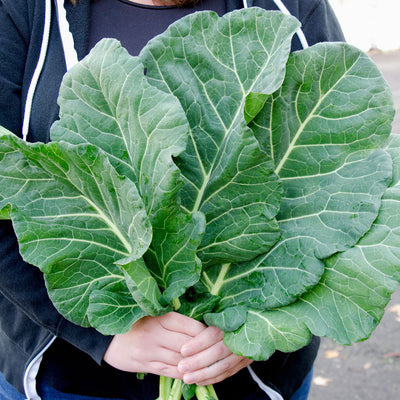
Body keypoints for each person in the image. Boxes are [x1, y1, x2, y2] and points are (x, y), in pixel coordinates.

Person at [0, 0, 345, 399]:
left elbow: (336, 168)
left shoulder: (290, 5)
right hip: (70, 378)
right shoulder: (23, 9)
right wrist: (101, 335)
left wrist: (260, 325)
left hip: (256, 381)